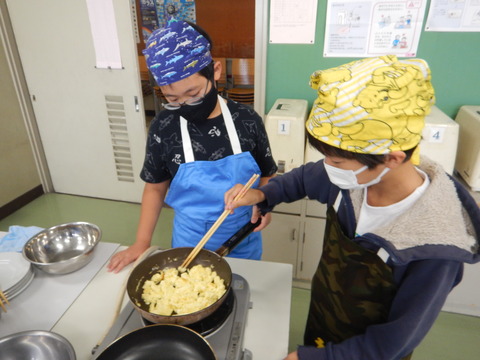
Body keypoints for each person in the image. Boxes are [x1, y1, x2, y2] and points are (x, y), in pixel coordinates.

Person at [225, 55, 480, 360]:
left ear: (393, 158)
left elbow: (393, 343)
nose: (328, 168)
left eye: (336, 161)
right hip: (325, 315)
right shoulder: (355, 179)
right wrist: (263, 196)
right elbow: (304, 179)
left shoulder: (435, 246)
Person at [108, 19, 277, 273]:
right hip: (190, 239)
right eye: (173, 98)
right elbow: (155, 188)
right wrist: (141, 243)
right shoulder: (164, 127)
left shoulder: (247, 120)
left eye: (194, 94)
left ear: (215, 71)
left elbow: (267, 172)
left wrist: (265, 203)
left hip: (242, 236)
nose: (186, 104)